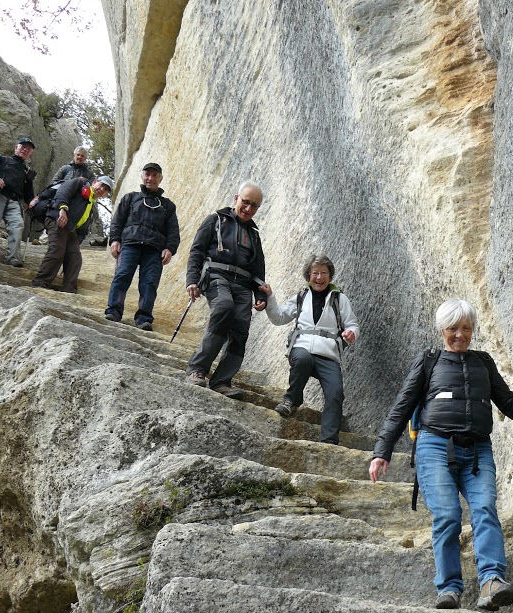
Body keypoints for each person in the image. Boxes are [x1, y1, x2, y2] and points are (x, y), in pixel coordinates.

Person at [369, 298, 513, 611]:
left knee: (485, 510)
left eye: (466, 328)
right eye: (453, 328)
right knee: (449, 514)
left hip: (477, 450)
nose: (460, 334)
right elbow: (402, 407)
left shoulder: (483, 362)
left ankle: (492, 581)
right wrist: (381, 452)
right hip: (435, 446)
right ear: (442, 330)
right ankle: (449, 588)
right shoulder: (429, 360)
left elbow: (511, 404)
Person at [258, 254, 359, 444]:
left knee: (336, 392)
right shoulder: (301, 296)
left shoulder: (339, 299)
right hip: (302, 347)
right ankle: (292, 400)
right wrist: (270, 297)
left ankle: (329, 440)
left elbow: (352, 324)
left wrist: (351, 333)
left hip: (328, 353)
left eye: (324, 273)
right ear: (308, 275)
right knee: (302, 359)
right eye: (315, 273)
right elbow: (279, 317)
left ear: (330, 276)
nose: (319, 277)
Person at [184, 181, 266, 399]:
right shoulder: (215, 220)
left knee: (241, 327)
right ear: (236, 198)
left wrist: (260, 295)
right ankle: (197, 369)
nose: (249, 209)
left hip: (243, 284)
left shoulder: (255, 235)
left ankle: (221, 381)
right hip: (216, 275)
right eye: (246, 202)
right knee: (223, 308)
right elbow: (197, 252)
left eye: (254, 206)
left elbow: (259, 268)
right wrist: (192, 280)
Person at [104, 162, 180, 330]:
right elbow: (117, 222)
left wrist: (170, 248)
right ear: (142, 176)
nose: (150, 178)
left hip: (154, 250)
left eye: (154, 175)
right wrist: (115, 240)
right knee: (122, 275)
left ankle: (144, 318)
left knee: (149, 283)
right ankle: (114, 311)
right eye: (147, 174)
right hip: (130, 244)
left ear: (160, 179)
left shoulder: (167, 206)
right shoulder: (130, 198)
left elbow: (173, 231)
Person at [30, 175, 113, 293]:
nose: (102, 189)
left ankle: (69, 290)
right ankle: (39, 284)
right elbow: (63, 192)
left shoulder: (90, 203)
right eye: (102, 185)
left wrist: (77, 242)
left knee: (75, 258)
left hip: (70, 228)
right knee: (57, 250)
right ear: (94, 182)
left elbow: (83, 228)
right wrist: (62, 210)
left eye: (106, 190)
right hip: (56, 218)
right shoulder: (79, 183)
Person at [0, 137, 37, 267]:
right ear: (16, 147)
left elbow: (29, 194)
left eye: (28, 149)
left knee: (17, 226)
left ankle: (13, 258)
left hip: (15, 201)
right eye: (23, 146)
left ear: (30, 154)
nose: (25, 150)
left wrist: (33, 203)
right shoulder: (1, 159)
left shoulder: (27, 172)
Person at [26, 146, 96, 245]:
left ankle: (59, 243)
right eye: (78, 155)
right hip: (61, 197)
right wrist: (66, 187)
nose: (79, 157)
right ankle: (44, 240)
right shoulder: (65, 168)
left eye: (82, 156)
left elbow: (93, 187)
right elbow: (54, 182)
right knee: (55, 217)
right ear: (74, 155)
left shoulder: (89, 174)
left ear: (85, 159)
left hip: (77, 202)